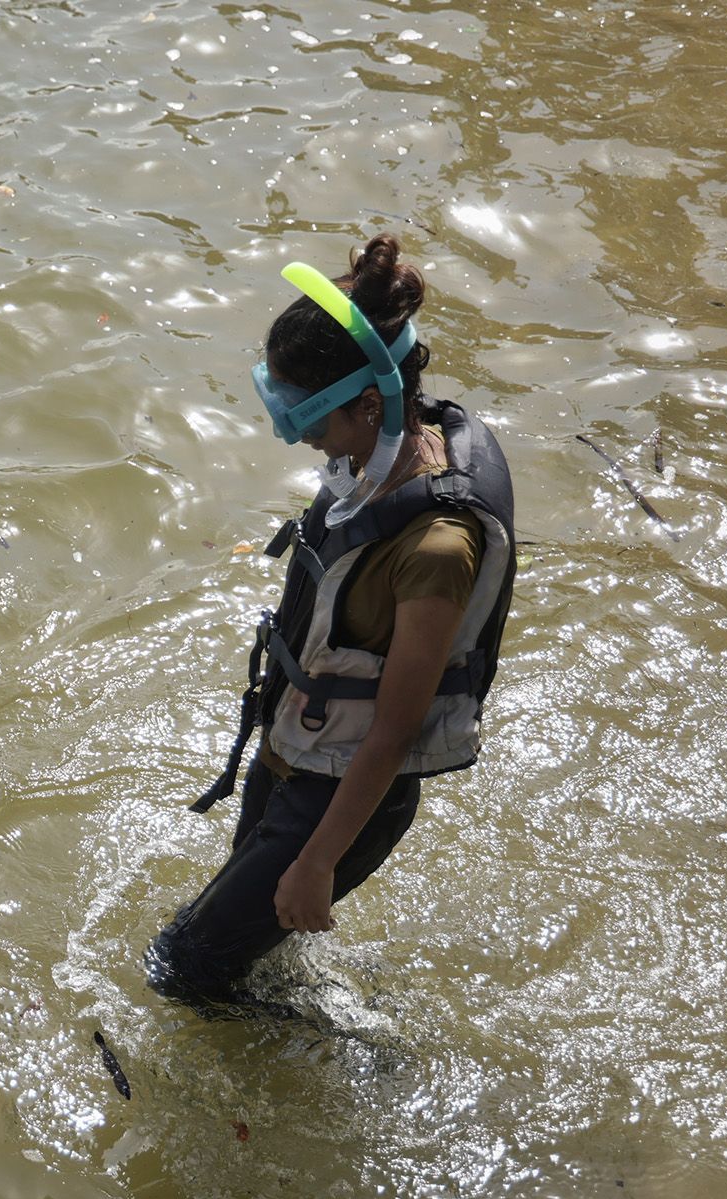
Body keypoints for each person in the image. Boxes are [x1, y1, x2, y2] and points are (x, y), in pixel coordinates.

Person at [146, 234, 516, 1007]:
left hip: (347, 794)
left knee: (186, 970)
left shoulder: (438, 548)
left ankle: (366, 1058)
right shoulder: (369, 469)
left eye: (303, 413)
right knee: (225, 945)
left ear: (370, 403)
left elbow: (392, 732)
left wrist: (317, 863)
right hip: (293, 753)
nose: (294, 433)